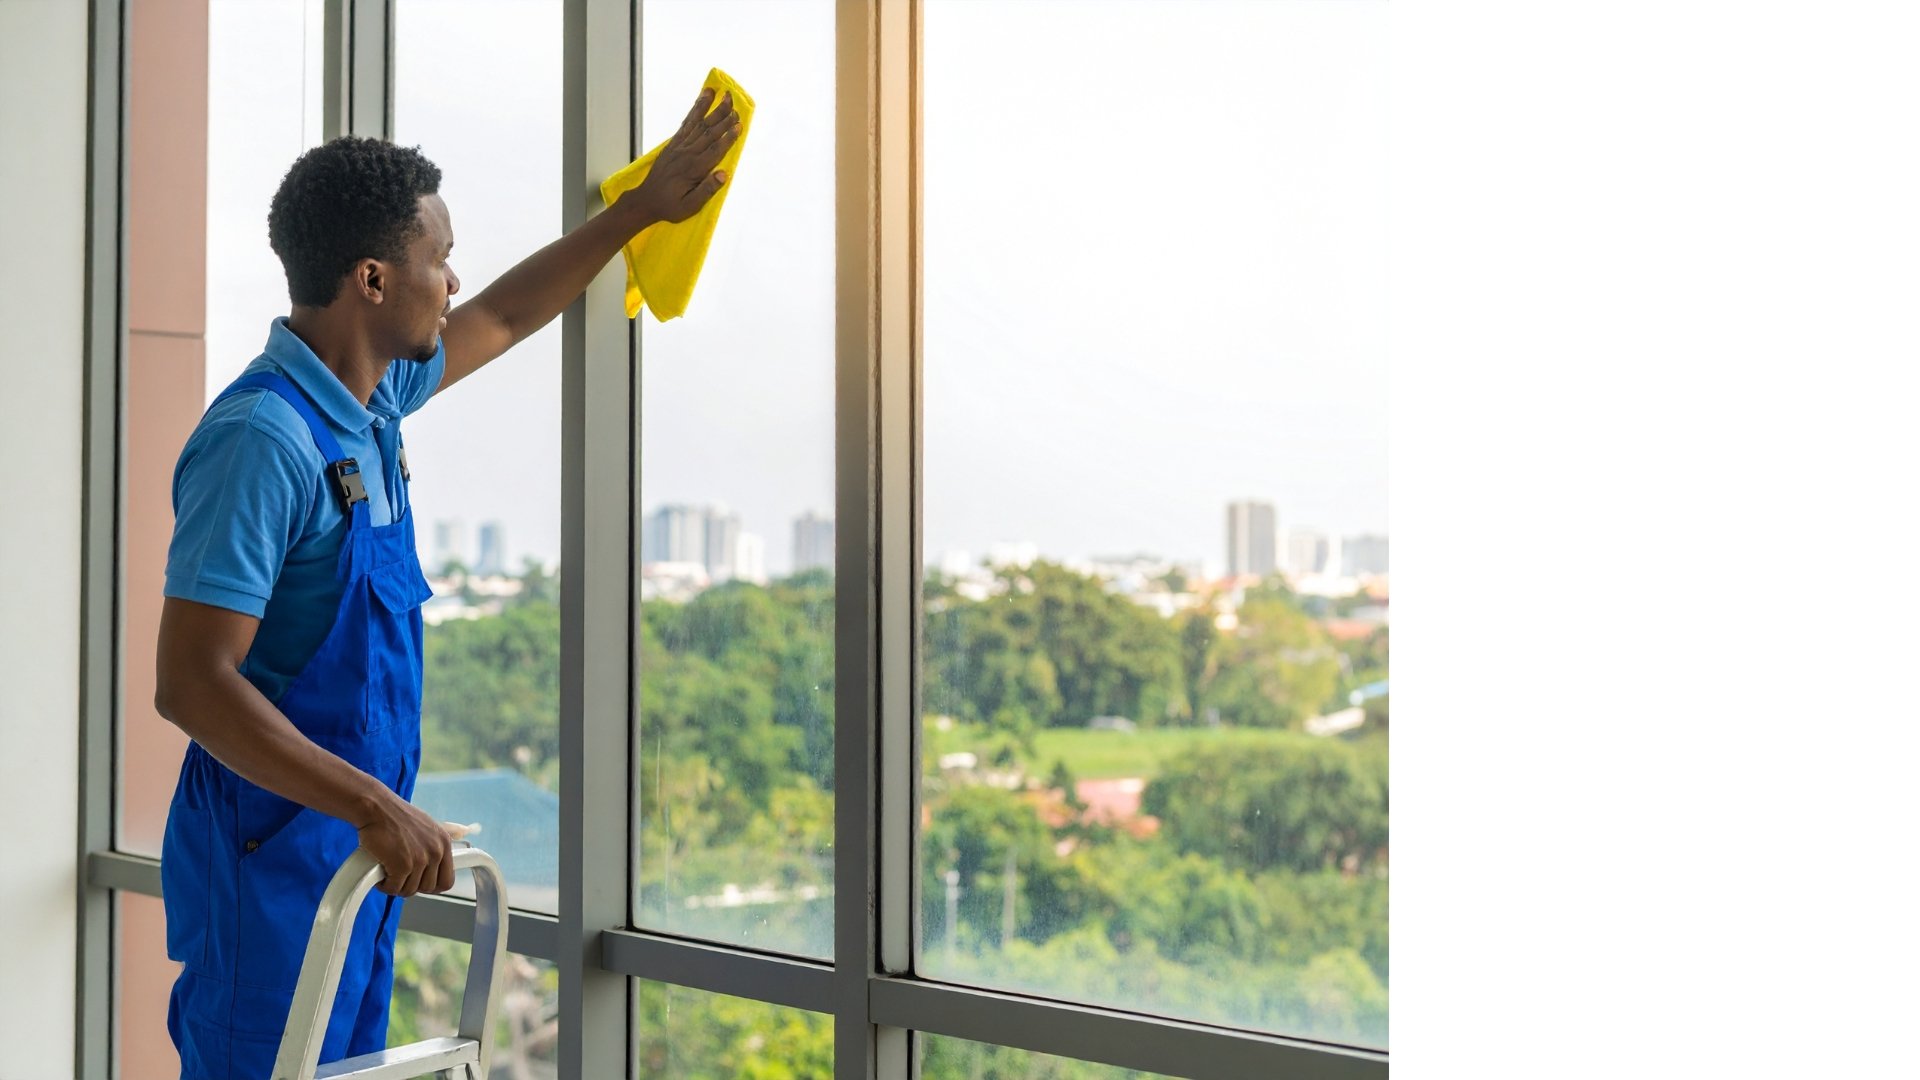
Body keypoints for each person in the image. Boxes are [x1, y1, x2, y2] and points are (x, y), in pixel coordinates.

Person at [152, 88, 739, 1077]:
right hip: (270, 875)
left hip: (351, 866)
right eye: (439, 260)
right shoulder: (265, 441)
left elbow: (508, 313)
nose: (453, 282)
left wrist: (639, 213)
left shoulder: (370, 412)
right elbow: (194, 683)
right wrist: (377, 808)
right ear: (374, 280)